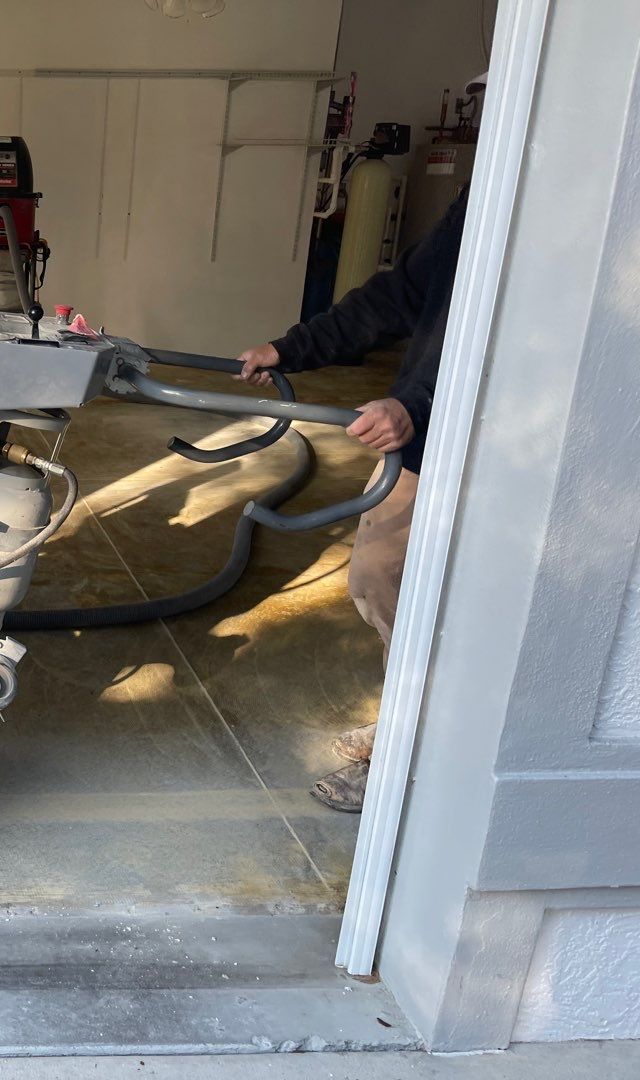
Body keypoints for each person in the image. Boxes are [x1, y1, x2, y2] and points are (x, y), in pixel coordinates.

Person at [233, 174, 474, 812]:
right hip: (428, 440)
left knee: (460, 608)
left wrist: (415, 406)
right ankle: (408, 718)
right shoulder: (487, 186)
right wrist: (293, 348)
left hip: (514, 451)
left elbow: (525, 338)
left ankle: (414, 754)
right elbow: (401, 294)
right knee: (379, 580)